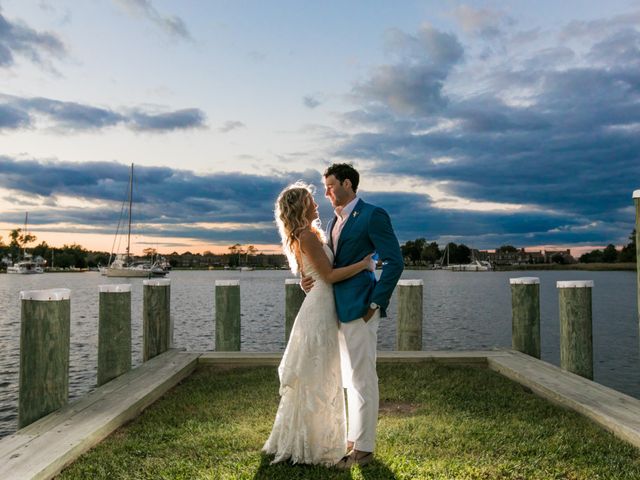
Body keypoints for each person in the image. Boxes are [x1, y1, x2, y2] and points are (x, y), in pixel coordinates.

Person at [263, 182, 375, 466]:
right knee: (318, 375)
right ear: (301, 206)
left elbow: (311, 275)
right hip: (320, 310)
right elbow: (329, 275)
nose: (316, 202)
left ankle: (322, 437)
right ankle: (314, 443)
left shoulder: (309, 235)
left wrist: (305, 283)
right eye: (310, 199)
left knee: (321, 373)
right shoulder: (306, 236)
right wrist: (364, 265)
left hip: (323, 307)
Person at [302, 163, 403, 469]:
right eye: (326, 187)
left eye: (331, 186)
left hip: (361, 308)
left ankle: (365, 448)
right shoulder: (334, 220)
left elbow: (394, 262)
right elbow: (330, 265)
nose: (327, 192)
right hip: (336, 309)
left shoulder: (373, 215)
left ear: (348, 183)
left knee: (363, 377)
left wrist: (375, 304)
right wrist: (308, 280)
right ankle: (352, 440)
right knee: (349, 379)